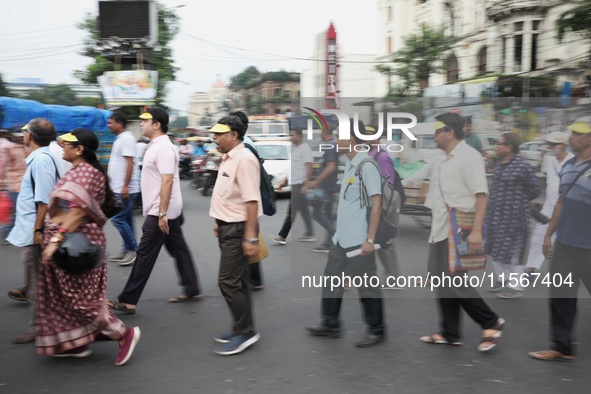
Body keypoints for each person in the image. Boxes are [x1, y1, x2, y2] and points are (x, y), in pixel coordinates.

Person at [35, 129, 140, 365]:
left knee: (80, 299)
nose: (63, 145)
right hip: (71, 244)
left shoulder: (86, 173)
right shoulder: (78, 171)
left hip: (77, 247)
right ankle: (76, 342)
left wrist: (54, 242)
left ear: (80, 149)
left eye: (68, 143)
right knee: (65, 297)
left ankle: (124, 334)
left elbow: (77, 212)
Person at [418, 113, 505, 352]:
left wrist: (477, 231)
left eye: (437, 131)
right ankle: (450, 333)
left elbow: (481, 195)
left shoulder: (468, 156)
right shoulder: (444, 158)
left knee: (454, 281)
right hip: (440, 227)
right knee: (442, 282)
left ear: (450, 132)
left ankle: (491, 321)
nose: (434, 135)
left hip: (458, 228)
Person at [108, 107, 202, 314]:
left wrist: (161, 213)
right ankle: (192, 288)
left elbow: (167, 181)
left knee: (144, 253)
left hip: (161, 208)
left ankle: (128, 300)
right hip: (165, 207)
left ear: (156, 124)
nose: (141, 123)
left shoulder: (164, 149)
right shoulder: (154, 145)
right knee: (179, 249)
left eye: (145, 120)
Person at [306, 119, 386, 347]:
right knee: (332, 279)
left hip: (359, 240)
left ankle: (376, 329)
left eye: (338, 135)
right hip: (341, 237)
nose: (334, 139)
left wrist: (369, 240)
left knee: (367, 285)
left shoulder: (366, 166)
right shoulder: (350, 164)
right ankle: (330, 323)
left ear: (349, 140)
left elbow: (376, 204)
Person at [529, 117, 591, 362]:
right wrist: (548, 234)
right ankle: (561, 346)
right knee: (560, 295)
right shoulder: (568, 165)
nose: (571, 138)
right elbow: (560, 203)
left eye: (577, 134)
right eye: (572, 133)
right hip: (565, 244)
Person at [209, 116, 262, 355]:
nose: (215, 137)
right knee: (239, 281)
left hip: (239, 229)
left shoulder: (245, 159)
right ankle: (243, 327)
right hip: (227, 225)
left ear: (234, 135)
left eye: (220, 134)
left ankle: (245, 332)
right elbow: (228, 194)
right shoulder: (228, 158)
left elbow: (252, 200)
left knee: (227, 282)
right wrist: (218, 221)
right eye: (215, 133)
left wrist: (250, 237)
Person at [6, 119, 62, 344]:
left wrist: (38, 229)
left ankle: (39, 327)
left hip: (36, 230)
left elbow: (44, 200)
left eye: (25, 132)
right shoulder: (42, 158)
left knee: (37, 280)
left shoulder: (40, 160)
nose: (23, 135)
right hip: (32, 228)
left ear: (30, 136)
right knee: (38, 278)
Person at [486, 132, 540, 298]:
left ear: (509, 147)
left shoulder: (522, 165)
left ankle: (517, 288)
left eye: (500, 144)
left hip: (515, 217)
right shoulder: (500, 164)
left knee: (515, 251)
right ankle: (504, 278)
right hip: (496, 216)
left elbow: (535, 189)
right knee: (494, 248)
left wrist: (518, 200)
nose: (497, 146)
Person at [525, 132, 573, 276]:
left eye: (553, 145)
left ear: (563, 145)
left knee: (567, 239)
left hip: (568, 205)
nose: (550, 147)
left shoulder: (573, 161)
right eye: (549, 144)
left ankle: (576, 268)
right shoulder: (549, 161)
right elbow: (549, 183)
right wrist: (545, 200)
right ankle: (531, 267)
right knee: (539, 236)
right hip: (550, 205)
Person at [360, 125, 402, 288]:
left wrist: (382, 209)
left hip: (381, 205)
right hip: (372, 203)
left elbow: (388, 184)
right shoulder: (369, 154)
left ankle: (394, 278)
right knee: (377, 241)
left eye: (370, 136)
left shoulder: (381, 156)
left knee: (385, 242)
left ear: (377, 138)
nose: (367, 139)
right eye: (365, 136)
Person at [229, 110, 264, 290]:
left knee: (248, 238)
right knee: (249, 238)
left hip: (245, 202)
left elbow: (250, 191)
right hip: (244, 201)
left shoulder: (245, 148)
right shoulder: (247, 144)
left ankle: (251, 280)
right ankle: (253, 279)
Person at [106, 112, 140, 266]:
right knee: (126, 219)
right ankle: (127, 250)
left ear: (119, 124)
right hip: (119, 187)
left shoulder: (126, 139)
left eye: (110, 122)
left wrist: (125, 186)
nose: (108, 125)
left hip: (124, 188)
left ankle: (133, 250)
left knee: (117, 218)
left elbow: (130, 163)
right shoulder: (121, 139)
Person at [271, 129, 315, 245]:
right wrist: (283, 182)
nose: (291, 137)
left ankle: (282, 236)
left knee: (291, 211)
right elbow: (292, 169)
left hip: (299, 184)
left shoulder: (305, 150)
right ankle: (310, 234)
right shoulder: (296, 150)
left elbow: (309, 167)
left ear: (299, 136)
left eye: (293, 135)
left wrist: (306, 185)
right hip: (295, 183)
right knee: (304, 210)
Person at [301, 123, 338, 253]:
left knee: (316, 213)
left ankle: (337, 238)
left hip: (325, 187)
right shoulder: (332, 145)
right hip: (328, 186)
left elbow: (331, 166)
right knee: (327, 214)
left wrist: (316, 181)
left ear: (323, 132)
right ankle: (328, 243)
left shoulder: (329, 146)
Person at [0, 130, 28, 239]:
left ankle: (11, 230)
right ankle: (7, 230)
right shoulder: (10, 149)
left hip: (20, 184)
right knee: (17, 210)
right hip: (16, 185)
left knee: (18, 210)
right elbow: (5, 166)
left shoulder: (24, 149)